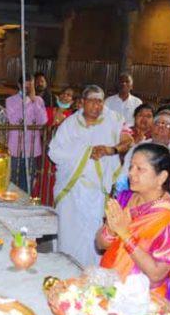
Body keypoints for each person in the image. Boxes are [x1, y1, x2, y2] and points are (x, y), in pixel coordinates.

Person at [97, 143, 170, 315]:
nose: (131, 174)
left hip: (141, 305)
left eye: (140, 169)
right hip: (110, 289)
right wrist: (110, 230)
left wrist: (125, 235)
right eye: (131, 167)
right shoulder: (127, 197)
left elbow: (155, 274)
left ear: (161, 177)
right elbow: (100, 244)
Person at [48, 85, 133, 267]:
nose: (97, 105)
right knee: (69, 233)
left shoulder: (115, 120)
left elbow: (128, 141)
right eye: (92, 101)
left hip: (97, 191)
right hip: (71, 188)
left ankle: (90, 274)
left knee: (92, 237)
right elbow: (54, 152)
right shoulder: (70, 124)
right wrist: (86, 152)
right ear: (83, 102)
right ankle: (65, 270)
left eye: (100, 101)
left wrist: (110, 150)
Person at [117, 110, 170, 203]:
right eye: (157, 124)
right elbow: (122, 181)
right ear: (151, 128)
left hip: (168, 204)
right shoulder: (138, 148)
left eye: (167, 125)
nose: (161, 128)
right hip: (137, 200)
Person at [6, 74, 49, 192]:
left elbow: (43, 121)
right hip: (15, 147)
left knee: (28, 182)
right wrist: (27, 101)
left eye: (31, 87)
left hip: (31, 148)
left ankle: (25, 206)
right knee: (13, 180)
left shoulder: (39, 101)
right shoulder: (10, 100)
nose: (29, 90)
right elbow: (13, 120)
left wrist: (34, 101)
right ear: (19, 85)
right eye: (26, 87)